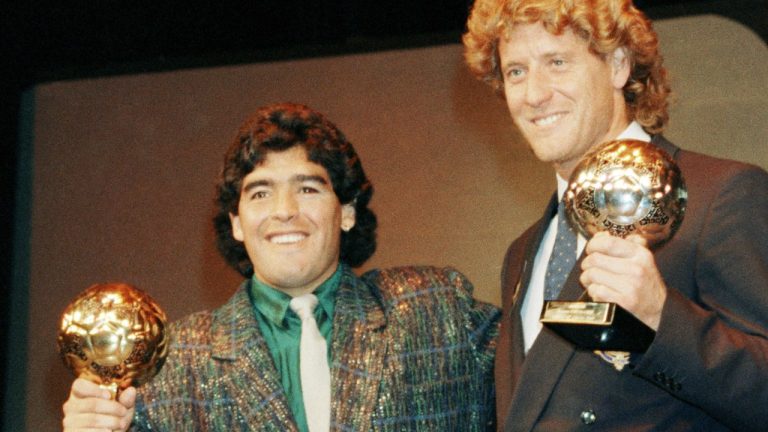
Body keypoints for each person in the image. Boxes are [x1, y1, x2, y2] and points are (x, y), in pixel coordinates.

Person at [62, 102, 500, 431]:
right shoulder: (170, 365)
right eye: (260, 193)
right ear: (236, 223)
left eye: (308, 189)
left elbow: (556, 381)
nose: (285, 211)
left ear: (346, 211)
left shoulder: (437, 308)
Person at [463, 0, 768, 430]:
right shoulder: (523, 253)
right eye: (516, 71)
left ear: (618, 65)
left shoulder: (718, 195)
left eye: (556, 62)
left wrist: (662, 319)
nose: (534, 94)